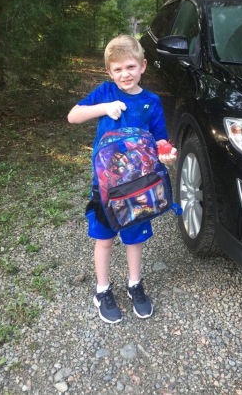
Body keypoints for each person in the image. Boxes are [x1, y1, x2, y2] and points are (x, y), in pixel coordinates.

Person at [67, 35, 176, 324]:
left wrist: (165, 153)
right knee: (103, 239)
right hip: (105, 186)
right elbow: (73, 116)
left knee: (134, 238)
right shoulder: (104, 92)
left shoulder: (151, 101)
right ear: (109, 72)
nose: (124, 74)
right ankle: (102, 289)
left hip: (138, 186)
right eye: (117, 70)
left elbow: (159, 138)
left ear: (143, 66)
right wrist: (104, 108)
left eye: (130, 67)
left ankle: (134, 284)